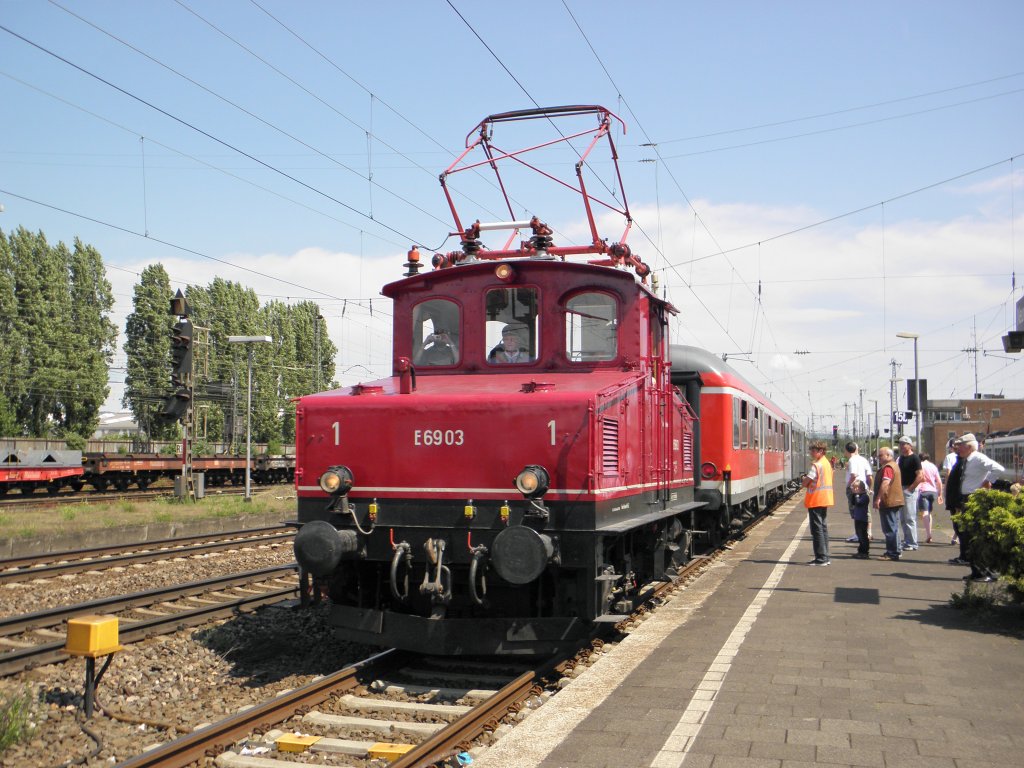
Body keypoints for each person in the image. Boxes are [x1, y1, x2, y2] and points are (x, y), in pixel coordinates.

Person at [946, 433, 1005, 583]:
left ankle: (983, 572)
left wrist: (986, 482)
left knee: (974, 536)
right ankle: (976, 571)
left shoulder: (978, 458)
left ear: (970, 446)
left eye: (961, 445)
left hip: (974, 498)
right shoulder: (968, 460)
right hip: (966, 499)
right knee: (967, 536)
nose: (958, 448)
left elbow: (999, 469)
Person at [802, 440, 834, 566]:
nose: (811, 452)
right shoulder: (826, 463)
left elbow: (806, 482)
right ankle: (825, 556)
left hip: (816, 499)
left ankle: (821, 558)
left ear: (820, 451)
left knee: (817, 529)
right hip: (825, 498)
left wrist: (804, 480)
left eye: (813, 450)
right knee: (823, 528)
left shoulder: (817, 465)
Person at [873, 446, 904, 561]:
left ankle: (892, 552)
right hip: (895, 500)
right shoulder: (894, 465)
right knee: (893, 526)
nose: (878, 458)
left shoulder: (888, 467)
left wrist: (878, 499)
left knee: (889, 528)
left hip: (889, 501)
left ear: (889, 456)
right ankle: (896, 550)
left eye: (881, 455)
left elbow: (885, 483)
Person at [896, 436, 924, 551]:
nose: (902, 446)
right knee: (902, 517)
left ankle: (912, 542)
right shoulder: (901, 458)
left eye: (904, 444)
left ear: (910, 445)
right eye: (900, 444)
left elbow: (920, 476)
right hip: (902, 488)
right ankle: (907, 541)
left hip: (909, 489)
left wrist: (910, 489)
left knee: (910, 517)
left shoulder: (914, 458)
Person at [843, 441, 874, 543]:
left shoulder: (852, 460)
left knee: (856, 512)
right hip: (864, 488)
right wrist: (869, 488)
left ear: (847, 450)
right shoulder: (863, 460)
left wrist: (848, 486)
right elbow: (870, 476)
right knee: (866, 512)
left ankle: (859, 534)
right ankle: (868, 532)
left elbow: (854, 475)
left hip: (854, 489)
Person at [916, 452, 943, 544]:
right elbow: (939, 481)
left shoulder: (920, 465)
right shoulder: (933, 466)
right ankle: (929, 532)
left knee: (924, 512)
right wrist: (940, 494)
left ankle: (928, 535)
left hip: (923, 490)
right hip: (932, 491)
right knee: (929, 512)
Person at [940, 438, 960, 544]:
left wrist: (946, 488)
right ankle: (956, 535)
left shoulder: (949, 457)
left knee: (954, 513)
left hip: (953, 488)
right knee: (961, 512)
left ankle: (957, 534)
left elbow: (948, 473)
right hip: (963, 488)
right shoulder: (965, 456)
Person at [850, 479, 871, 558]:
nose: (854, 490)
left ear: (860, 488)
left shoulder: (865, 496)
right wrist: (853, 495)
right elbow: (853, 502)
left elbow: (859, 503)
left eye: (856, 488)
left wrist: (857, 495)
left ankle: (865, 552)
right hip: (857, 518)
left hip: (862, 519)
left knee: (863, 536)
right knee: (859, 535)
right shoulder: (856, 496)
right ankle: (860, 551)